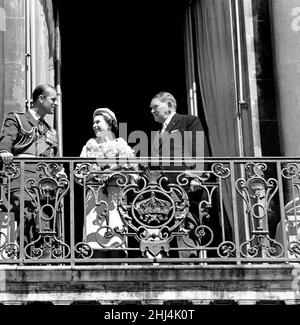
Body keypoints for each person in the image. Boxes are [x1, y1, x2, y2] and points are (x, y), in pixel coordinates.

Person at [0, 84, 65, 256]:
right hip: (22, 177)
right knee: (26, 217)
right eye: (53, 99)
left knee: (44, 221)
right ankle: (23, 259)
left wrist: (60, 171)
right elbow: (7, 137)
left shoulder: (51, 131)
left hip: (45, 182)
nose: (56, 103)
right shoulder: (17, 119)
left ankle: (42, 260)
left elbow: (53, 158)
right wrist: (4, 151)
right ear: (41, 99)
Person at [149, 91, 208, 258]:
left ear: (169, 105)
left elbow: (200, 150)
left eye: (155, 107)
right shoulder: (158, 133)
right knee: (168, 228)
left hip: (185, 186)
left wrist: (196, 176)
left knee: (186, 227)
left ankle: (190, 267)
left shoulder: (188, 121)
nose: (152, 111)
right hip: (164, 189)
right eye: (151, 108)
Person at [77, 107, 138, 259]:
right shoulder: (88, 147)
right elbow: (79, 175)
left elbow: (134, 175)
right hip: (94, 199)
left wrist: (118, 173)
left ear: (109, 124)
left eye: (98, 122)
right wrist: (93, 175)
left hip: (116, 199)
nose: (94, 125)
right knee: (95, 243)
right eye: (93, 123)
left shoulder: (122, 146)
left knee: (116, 241)